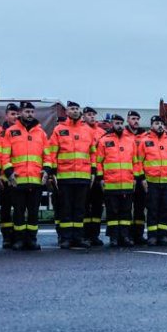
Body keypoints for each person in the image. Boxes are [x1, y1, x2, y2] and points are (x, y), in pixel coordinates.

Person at [45, 101, 95, 250]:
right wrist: (52, 172)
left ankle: (78, 237)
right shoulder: (59, 130)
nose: (74, 111)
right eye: (72, 109)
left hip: (83, 176)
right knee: (66, 209)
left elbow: (93, 153)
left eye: (76, 109)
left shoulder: (87, 130)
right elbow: (52, 152)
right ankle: (66, 238)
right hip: (64, 177)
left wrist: (93, 171)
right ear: (66, 112)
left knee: (80, 209)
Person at [0, 101, 47, 250]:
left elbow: (48, 156)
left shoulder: (41, 133)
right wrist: (9, 173)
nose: (29, 114)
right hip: (17, 180)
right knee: (18, 212)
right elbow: (4, 156)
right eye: (26, 111)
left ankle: (31, 239)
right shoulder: (10, 131)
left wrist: (47, 170)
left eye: (32, 111)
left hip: (36, 179)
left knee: (33, 213)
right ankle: (18, 240)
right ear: (21, 113)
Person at [95, 114, 138, 247]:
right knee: (113, 211)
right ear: (112, 124)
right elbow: (98, 162)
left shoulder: (130, 140)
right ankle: (113, 237)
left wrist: (135, 177)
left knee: (126, 211)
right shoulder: (104, 140)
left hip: (127, 182)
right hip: (111, 183)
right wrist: (101, 178)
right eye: (116, 123)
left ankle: (124, 236)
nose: (119, 125)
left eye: (121, 123)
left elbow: (135, 162)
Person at [137, 115, 167, 246]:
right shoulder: (145, 141)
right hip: (152, 182)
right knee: (153, 209)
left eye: (161, 123)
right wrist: (142, 178)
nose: (160, 126)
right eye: (156, 123)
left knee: (165, 209)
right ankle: (152, 236)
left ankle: (162, 235)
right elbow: (138, 162)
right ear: (151, 126)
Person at [0, 103, 20, 248]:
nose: (15, 117)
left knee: (18, 208)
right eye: (12, 114)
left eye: (17, 114)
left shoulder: (21, 132)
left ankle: (17, 236)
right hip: (4, 178)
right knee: (5, 209)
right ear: (6, 115)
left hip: (18, 178)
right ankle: (6, 237)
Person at [82, 107, 106, 246]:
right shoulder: (81, 131)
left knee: (97, 206)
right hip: (85, 173)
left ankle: (94, 235)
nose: (91, 117)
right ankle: (84, 235)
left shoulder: (102, 133)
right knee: (84, 206)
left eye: (93, 115)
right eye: (88, 115)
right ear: (83, 117)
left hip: (99, 174)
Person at [124, 110, 148, 245]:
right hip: (127, 177)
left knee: (140, 208)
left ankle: (138, 234)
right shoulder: (123, 135)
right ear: (128, 120)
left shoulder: (145, 136)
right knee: (127, 208)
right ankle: (126, 235)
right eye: (133, 118)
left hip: (142, 178)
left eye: (137, 118)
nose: (136, 121)